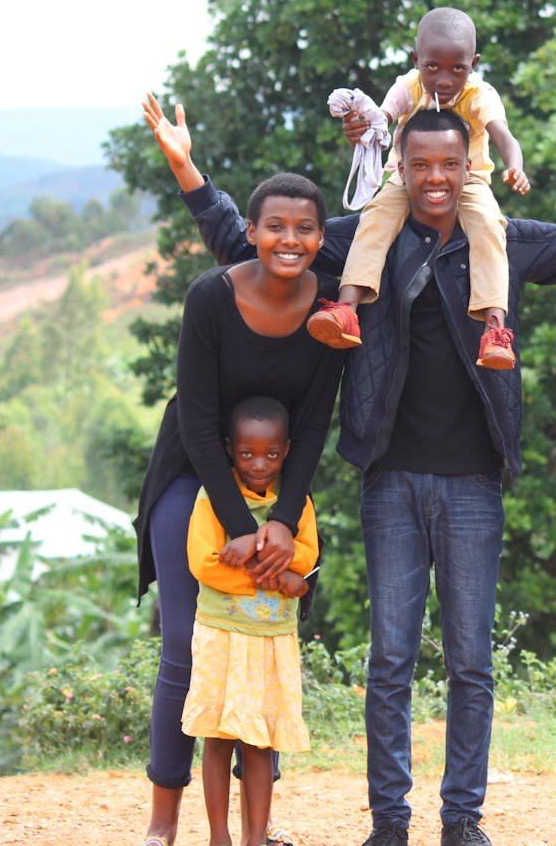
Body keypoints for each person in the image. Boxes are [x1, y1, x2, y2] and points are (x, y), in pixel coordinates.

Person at [147, 93, 556, 846]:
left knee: (471, 662)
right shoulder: (366, 237)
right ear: (400, 169)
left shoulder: (500, 236)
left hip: (473, 479)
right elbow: (261, 242)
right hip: (390, 477)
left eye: (449, 165)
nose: (435, 178)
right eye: (420, 164)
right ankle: (390, 825)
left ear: (470, 169)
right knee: (391, 660)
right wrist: (188, 170)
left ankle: (462, 819)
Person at [134, 98, 345, 845]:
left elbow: (316, 421)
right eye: (275, 227)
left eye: (305, 228)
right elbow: (195, 421)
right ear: (250, 235)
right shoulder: (211, 297)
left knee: (261, 640)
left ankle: (255, 829)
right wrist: (236, 524)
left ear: (323, 240)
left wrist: (281, 520)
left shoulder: (331, 311)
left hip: (275, 484)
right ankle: (164, 822)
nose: (290, 239)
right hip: (195, 476)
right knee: (187, 643)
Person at [311, 6, 529, 370]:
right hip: (406, 177)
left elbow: (503, 135)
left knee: (490, 228)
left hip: (468, 179)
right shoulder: (408, 86)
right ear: (416, 60)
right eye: (432, 67)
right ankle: (347, 309)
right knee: (376, 217)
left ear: (473, 63)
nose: (444, 78)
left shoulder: (479, 94)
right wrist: (361, 128)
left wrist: (515, 165)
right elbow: (381, 119)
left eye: (457, 68)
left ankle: (494, 330)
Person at [182, 397, 318, 846]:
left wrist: (251, 549)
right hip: (221, 635)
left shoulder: (295, 502)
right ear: (228, 449)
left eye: (272, 454)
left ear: (287, 450)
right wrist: (277, 576)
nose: (259, 464)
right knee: (218, 738)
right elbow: (205, 563)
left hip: (270, 639)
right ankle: (219, 836)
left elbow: (307, 553)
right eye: (247, 454)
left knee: (261, 743)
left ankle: (254, 839)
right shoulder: (212, 499)